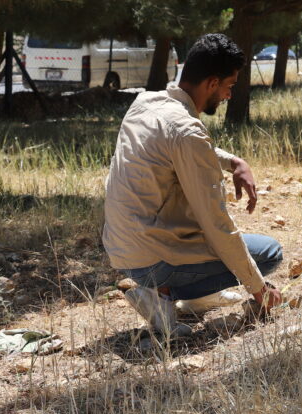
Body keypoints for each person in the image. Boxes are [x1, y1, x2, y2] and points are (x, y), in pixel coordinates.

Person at [102, 33, 283, 337]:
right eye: (229, 86)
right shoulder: (188, 132)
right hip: (153, 260)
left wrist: (233, 161)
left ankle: (190, 297)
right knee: (269, 253)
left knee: (227, 246)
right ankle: (162, 296)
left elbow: (180, 146)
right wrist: (258, 289)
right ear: (212, 83)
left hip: (122, 251)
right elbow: (217, 226)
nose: (228, 95)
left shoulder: (145, 103)